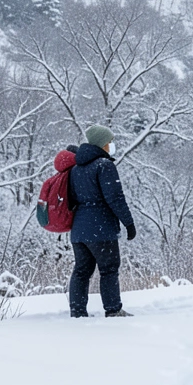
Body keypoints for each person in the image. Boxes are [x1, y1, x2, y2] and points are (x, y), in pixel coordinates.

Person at [68, 125, 137, 317]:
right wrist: (128, 223)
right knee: (108, 268)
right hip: (101, 229)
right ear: (102, 144)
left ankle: (77, 311)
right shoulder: (104, 166)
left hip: (78, 231)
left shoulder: (75, 169)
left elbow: (72, 198)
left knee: (81, 271)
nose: (111, 146)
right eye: (109, 142)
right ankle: (113, 309)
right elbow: (115, 197)